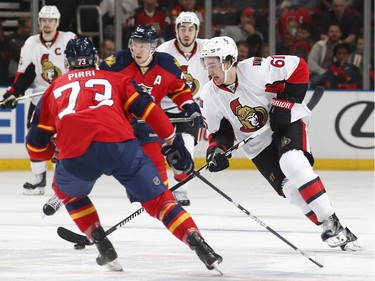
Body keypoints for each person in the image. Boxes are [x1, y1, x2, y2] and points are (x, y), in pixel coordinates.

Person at [25, 37, 223, 272]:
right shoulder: (116, 79)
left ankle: (101, 241)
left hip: (78, 153)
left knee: (68, 194)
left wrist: (54, 154)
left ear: (67, 64)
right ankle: (198, 242)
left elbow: (34, 143)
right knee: (161, 202)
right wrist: (171, 141)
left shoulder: (54, 88)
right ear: (96, 60)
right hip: (122, 146)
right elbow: (149, 109)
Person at [198, 36, 360, 252]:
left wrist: (284, 105)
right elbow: (220, 132)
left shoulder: (256, 69)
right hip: (256, 144)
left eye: (213, 65)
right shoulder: (209, 94)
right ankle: (338, 231)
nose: (209, 72)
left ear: (228, 61)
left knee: (292, 162)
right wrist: (217, 150)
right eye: (206, 65)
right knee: (291, 192)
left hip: (285, 123)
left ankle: (330, 221)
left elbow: (299, 67)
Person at [99, 25, 204, 195]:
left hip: (150, 122)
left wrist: (190, 107)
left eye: (143, 45)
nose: (137, 49)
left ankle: (161, 196)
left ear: (153, 47)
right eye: (135, 44)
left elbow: (179, 91)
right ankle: (68, 191)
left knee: (156, 160)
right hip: (122, 123)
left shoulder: (167, 64)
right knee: (103, 159)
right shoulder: (116, 63)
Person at [0, 5, 76, 195]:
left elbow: (80, 65)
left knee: (67, 139)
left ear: (57, 22)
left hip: (66, 97)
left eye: (51, 20)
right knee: (34, 137)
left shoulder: (69, 39)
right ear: (39, 23)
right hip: (41, 98)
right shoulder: (31, 43)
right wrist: (13, 93)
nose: (47, 24)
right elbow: (25, 73)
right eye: (43, 20)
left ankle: (68, 179)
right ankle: (38, 178)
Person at [157, 12, 208, 206]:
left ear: (197, 30)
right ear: (176, 30)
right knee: (166, 151)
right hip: (164, 107)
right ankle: (155, 190)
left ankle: (181, 191)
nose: (187, 33)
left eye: (191, 29)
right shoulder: (163, 50)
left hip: (190, 108)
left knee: (186, 147)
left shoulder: (207, 48)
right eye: (183, 28)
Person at [307, 23, 342, 88]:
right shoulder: (319, 45)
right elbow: (311, 62)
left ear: (340, 34)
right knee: (315, 81)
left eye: (336, 31)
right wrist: (322, 71)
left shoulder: (344, 47)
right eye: (331, 31)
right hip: (321, 74)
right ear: (327, 33)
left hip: (339, 75)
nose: (334, 34)